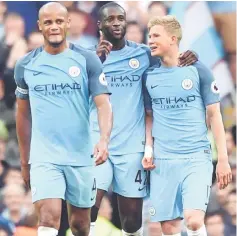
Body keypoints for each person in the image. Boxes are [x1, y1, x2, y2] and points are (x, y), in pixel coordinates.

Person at [89, 2, 198, 236]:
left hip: (131, 146)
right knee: (87, 208)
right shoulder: (88, 57)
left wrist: (190, 56)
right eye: (110, 19)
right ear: (99, 25)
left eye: (121, 18)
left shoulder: (143, 54)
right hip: (98, 143)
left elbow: (171, 61)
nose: (116, 23)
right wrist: (97, 61)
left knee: (131, 221)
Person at [14, 2, 112, 236]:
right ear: (39, 26)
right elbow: (22, 114)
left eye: (59, 21)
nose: (54, 27)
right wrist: (25, 160)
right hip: (44, 157)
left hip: (81, 155)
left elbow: (103, 105)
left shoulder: (87, 61)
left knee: (80, 224)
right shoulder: (26, 65)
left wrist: (104, 140)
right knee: (48, 217)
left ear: (68, 23)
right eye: (48, 22)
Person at [142, 15, 232, 236]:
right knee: (169, 227)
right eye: (149, 35)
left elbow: (215, 115)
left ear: (173, 38)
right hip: (163, 160)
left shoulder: (198, 70)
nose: (150, 40)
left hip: (195, 156)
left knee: (193, 219)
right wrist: (149, 149)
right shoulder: (149, 75)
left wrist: (222, 159)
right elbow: (149, 116)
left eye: (156, 35)